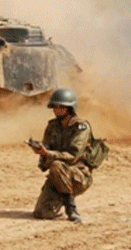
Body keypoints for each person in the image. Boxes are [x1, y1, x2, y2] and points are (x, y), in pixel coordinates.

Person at [30, 88, 94, 223]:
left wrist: (48, 154)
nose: (56, 110)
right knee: (42, 212)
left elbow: (73, 156)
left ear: (70, 108)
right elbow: (47, 148)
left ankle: (71, 209)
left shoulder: (81, 127)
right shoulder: (52, 126)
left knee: (56, 165)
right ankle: (60, 197)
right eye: (55, 107)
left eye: (61, 107)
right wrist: (41, 150)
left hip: (78, 175)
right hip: (57, 175)